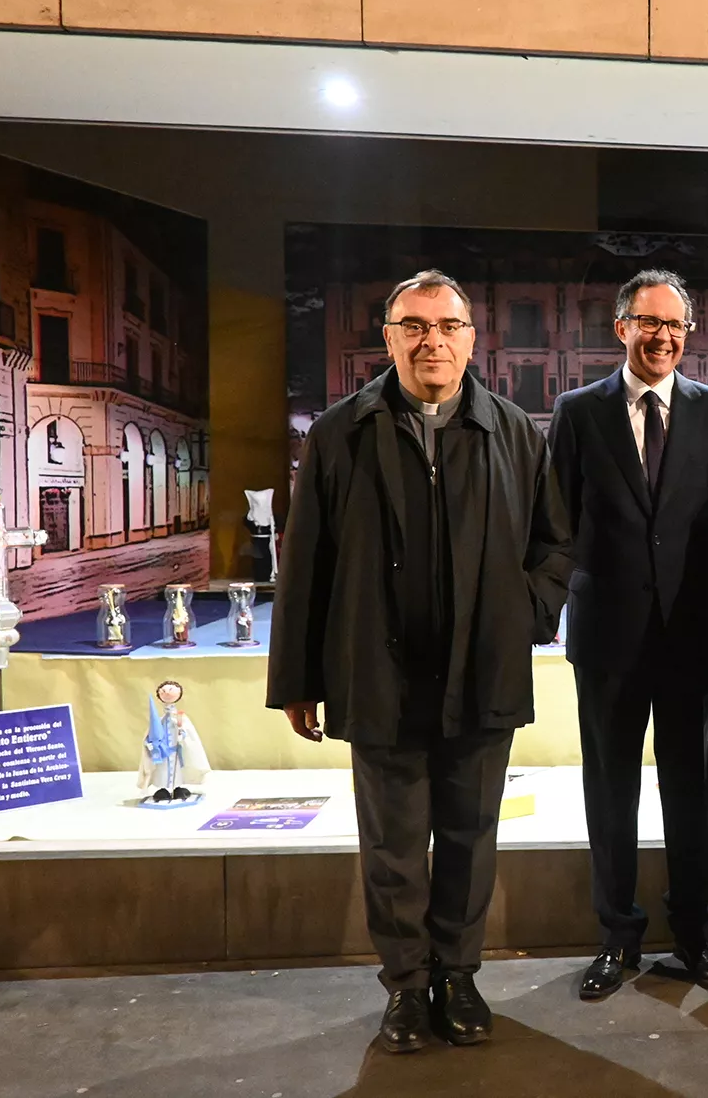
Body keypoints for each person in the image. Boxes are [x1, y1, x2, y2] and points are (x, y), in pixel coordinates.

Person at [268, 270, 570, 1053]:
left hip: (483, 672)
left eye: (448, 325)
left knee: (471, 837)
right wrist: (299, 677)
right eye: (415, 325)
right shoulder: (341, 432)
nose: (432, 339)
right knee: (394, 845)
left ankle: (459, 975)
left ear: (473, 339)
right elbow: (306, 563)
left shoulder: (514, 431)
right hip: (380, 674)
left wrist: (525, 613)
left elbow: (555, 546)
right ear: (391, 337)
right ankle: (405, 986)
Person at [548, 269, 708, 1000]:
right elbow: (556, 523)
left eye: (675, 324)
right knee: (610, 789)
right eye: (648, 321)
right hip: (605, 636)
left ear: (688, 333)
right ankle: (617, 936)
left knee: (691, 791)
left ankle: (695, 933)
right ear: (621, 326)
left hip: (693, 634)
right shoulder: (577, 412)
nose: (662, 336)